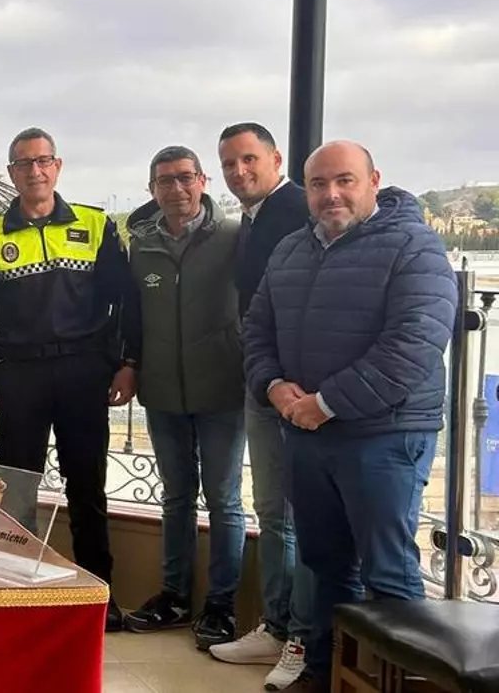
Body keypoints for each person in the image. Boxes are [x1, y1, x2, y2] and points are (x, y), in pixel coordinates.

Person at [243, 141, 458, 693]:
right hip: (306, 435)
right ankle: (324, 675)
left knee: (388, 571)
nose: (331, 194)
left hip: (384, 436)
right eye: (319, 184)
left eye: (344, 180)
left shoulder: (414, 246)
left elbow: (413, 346)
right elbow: (257, 329)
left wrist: (326, 402)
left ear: (373, 181)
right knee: (324, 564)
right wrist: (274, 387)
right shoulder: (291, 249)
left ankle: (402, 684)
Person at [0, 127, 137, 632]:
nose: (34, 171)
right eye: (23, 163)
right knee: (16, 489)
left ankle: (99, 596)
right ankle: (15, 593)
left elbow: (126, 303)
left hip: (85, 372)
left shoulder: (95, 224)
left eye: (43, 161)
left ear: (57, 167)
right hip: (19, 376)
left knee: (88, 488)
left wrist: (128, 363)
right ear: (12, 173)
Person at [121, 146, 246, 650]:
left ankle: (222, 606)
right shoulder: (141, 246)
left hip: (223, 389)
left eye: (185, 178)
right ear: (152, 189)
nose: (176, 188)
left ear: (203, 181)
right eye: (165, 181)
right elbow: (131, 316)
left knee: (224, 500)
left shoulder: (235, 237)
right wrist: (131, 366)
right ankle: (174, 597)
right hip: (162, 391)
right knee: (175, 498)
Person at [207, 122, 313, 689]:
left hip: (300, 393)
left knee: (295, 517)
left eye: (249, 159)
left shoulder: (299, 210)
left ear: (276, 159)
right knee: (273, 512)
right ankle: (277, 625)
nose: (239, 171)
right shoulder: (252, 220)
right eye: (229, 163)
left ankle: (301, 637)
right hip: (265, 382)